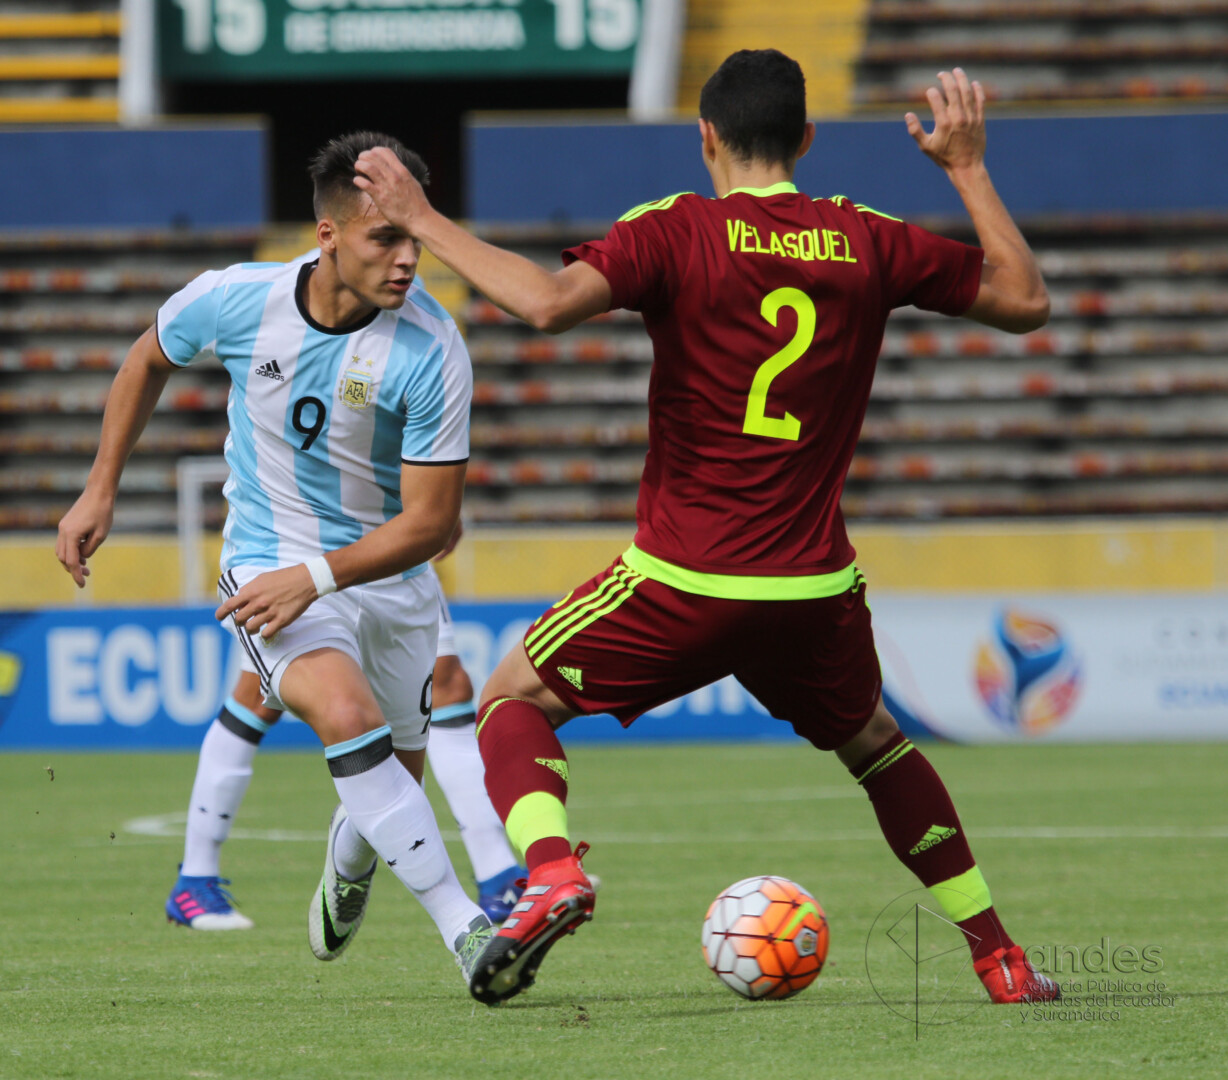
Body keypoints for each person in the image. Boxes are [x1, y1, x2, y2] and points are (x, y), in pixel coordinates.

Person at [354, 52, 1061, 1006]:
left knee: (512, 695)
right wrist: (967, 167)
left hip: (685, 578)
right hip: (812, 589)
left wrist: (423, 217)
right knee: (878, 746)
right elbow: (1025, 302)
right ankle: (998, 956)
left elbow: (543, 304)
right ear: (807, 141)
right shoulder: (867, 238)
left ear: (706, 139)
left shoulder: (677, 231)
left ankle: (553, 872)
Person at [58, 132, 496, 979]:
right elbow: (148, 357)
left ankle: (351, 862)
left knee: (395, 770)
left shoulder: (434, 347)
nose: (408, 260)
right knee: (345, 716)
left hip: (387, 574)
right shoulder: (235, 299)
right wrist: (100, 487)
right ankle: (469, 930)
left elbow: (432, 525)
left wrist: (320, 578)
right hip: (268, 557)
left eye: (415, 239)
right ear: (328, 236)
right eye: (385, 239)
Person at [165, 582, 526, 931]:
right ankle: (196, 877)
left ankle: (497, 873)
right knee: (258, 698)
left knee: (448, 684)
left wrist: (435, 519)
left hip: (391, 562)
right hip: (301, 552)